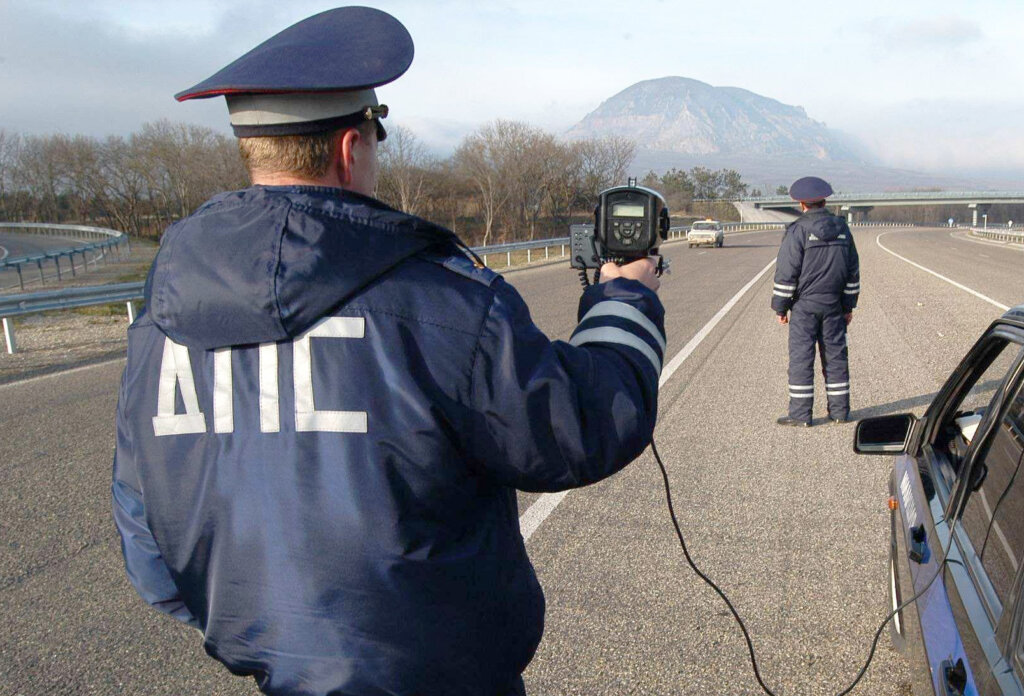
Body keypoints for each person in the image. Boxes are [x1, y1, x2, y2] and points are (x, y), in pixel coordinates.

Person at [111, 7, 665, 696]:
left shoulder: (161, 318)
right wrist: (625, 300)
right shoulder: (443, 300)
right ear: (352, 147)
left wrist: (284, 636)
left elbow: (148, 539)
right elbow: (582, 427)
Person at [771, 176, 859, 427]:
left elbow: (787, 273)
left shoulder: (798, 230)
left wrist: (781, 307)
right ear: (824, 200)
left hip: (805, 307)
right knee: (836, 357)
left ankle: (800, 416)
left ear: (801, 204)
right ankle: (840, 412)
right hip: (833, 305)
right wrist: (848, 305)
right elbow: (852, 271)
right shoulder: (843, 229)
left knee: (801, 358)